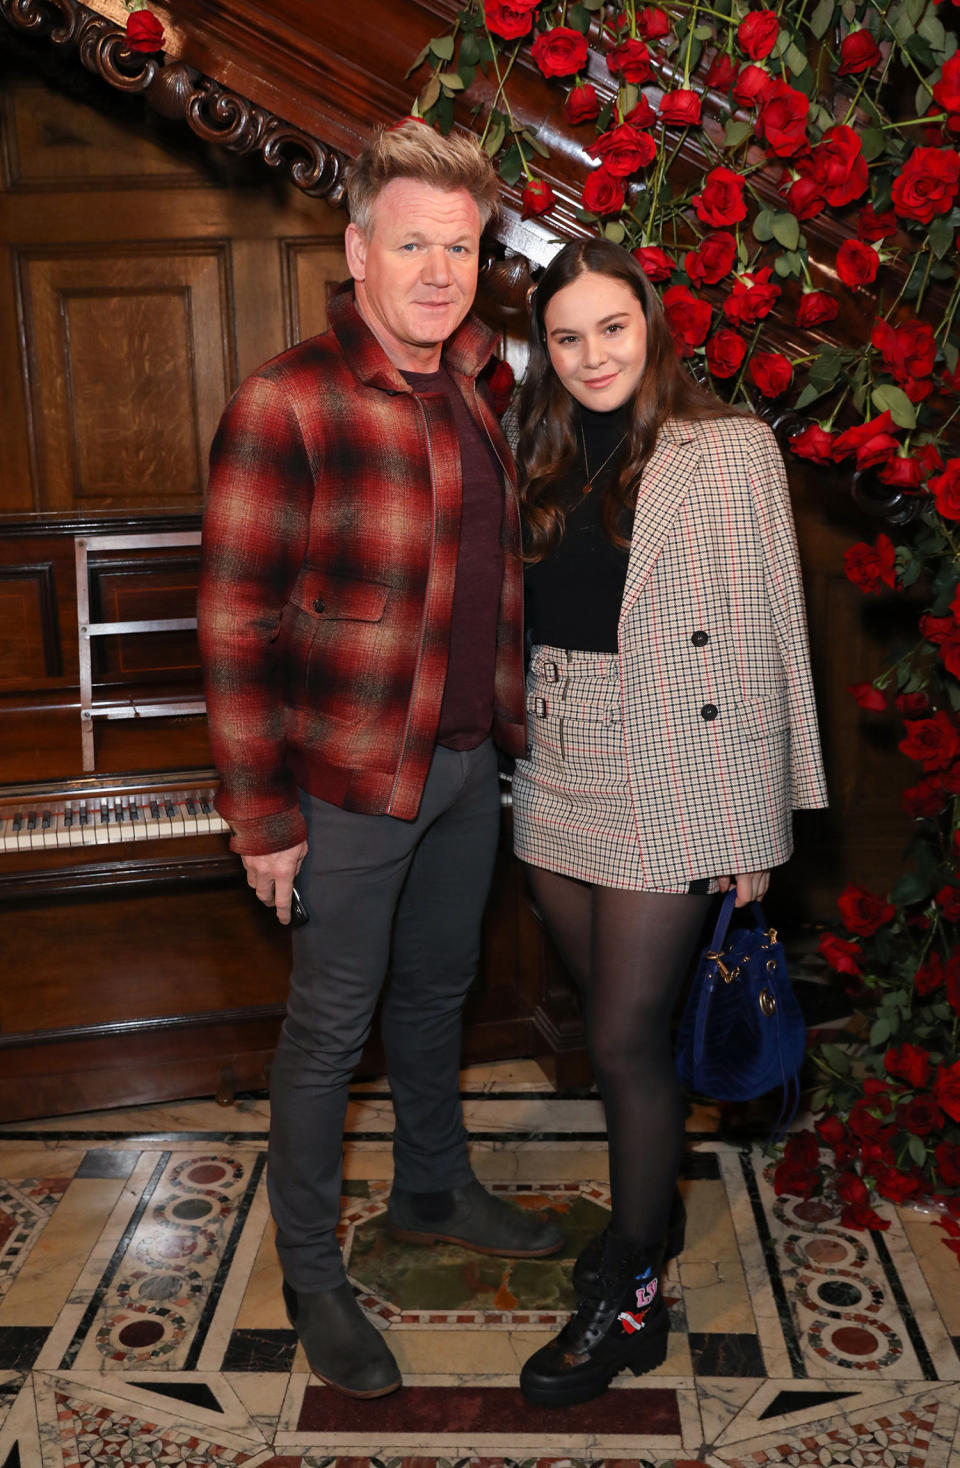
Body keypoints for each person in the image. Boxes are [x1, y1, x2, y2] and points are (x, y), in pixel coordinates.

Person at [197, 121, 564, 1401]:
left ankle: (433, 1186)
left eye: (459, 247)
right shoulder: (285, 397)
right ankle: (308, 1268)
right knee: (327, 1030)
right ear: (356, 247)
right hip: (347, 784)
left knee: (438, 994)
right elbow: (234, 620)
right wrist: (262, 819)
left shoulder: (474, 383)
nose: (438, 269)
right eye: (411, 242)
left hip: (464, 766)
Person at [510, 238, 828, 1408]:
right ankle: (643, 1224)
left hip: (679, 768)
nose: (593, 354)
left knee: (630, 1044)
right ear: (545, 351)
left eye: (612, 327)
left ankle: (631, 1297)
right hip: (557, 760)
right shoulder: (531, 448)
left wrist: (759, 826)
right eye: (567, 335)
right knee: (610, 1029)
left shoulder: (730, 450)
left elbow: (775, 635)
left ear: (651, 327)